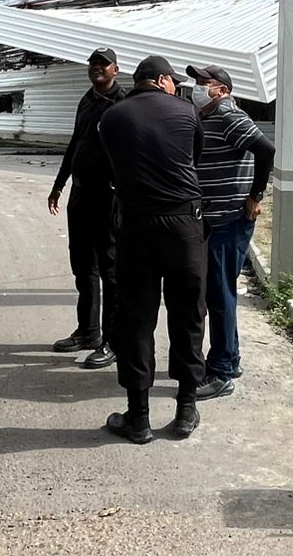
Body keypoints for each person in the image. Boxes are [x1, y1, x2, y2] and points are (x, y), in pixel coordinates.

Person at [96, 55, 206, 444]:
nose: (176, 87)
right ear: (162, 81)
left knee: (136, 320)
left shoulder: (111, 117)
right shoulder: (187, 111)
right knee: (188, 315)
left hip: (137, 226)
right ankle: (185, 411)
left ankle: (138, 418)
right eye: (174, 81)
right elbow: (193, 159)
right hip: (183, 225)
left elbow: (114, 169)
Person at [185, 63, 274, 400]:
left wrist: (255, 195)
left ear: (221, 90)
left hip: (228, 219)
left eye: (204, 83)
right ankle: (229, 359)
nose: (197, 87)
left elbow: (265, 149)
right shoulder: (207, 117)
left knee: (219, 295)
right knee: (219, 292)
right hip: (215, 218)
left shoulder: (227, 114)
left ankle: (221, 372)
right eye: (196, 82)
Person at [47, 47, 126, 369]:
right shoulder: (87, 99)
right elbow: (75, 143)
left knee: (110, 269)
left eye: (103, 65)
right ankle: (88, 331)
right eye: (93, 65)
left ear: (115, 70)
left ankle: (112, 341)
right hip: (80, 194)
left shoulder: (122, 104)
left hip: (107, 198)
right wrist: (59, 184)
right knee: (83, 266)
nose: (97, 69)